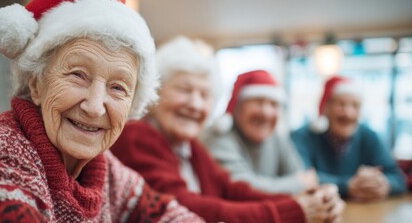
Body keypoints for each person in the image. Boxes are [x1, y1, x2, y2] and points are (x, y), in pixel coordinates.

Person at [0, 0, 204, 222]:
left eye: (118, 87)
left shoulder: (104, 169)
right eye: (78, 75)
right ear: (36, 83)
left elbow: (167, 214)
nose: (95, 107)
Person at [112, 36, 344, 223]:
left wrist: (305, 199)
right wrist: (293, 210)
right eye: (184, 90)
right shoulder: (137, 136)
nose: (195, 104)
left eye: (204, 95)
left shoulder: (189, 146)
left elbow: (232, 189)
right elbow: (184, 205)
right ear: (156, 94)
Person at [292, 75, 407, 202]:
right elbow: (298, 179)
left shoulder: (369, 137)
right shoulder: (302, 137)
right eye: (341, 105)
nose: (348, 113)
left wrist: (383, 184)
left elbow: (398, 178)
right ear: (327, 108)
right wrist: (348, 186)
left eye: (355, 106)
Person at [202, 70, 318, 194]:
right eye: (258, 102)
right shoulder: (219, 136)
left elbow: (300, 174)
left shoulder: (276, 138)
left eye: (273, 104)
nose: (266, 113)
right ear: (238, 106)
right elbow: (242, 187)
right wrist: (298, 184)